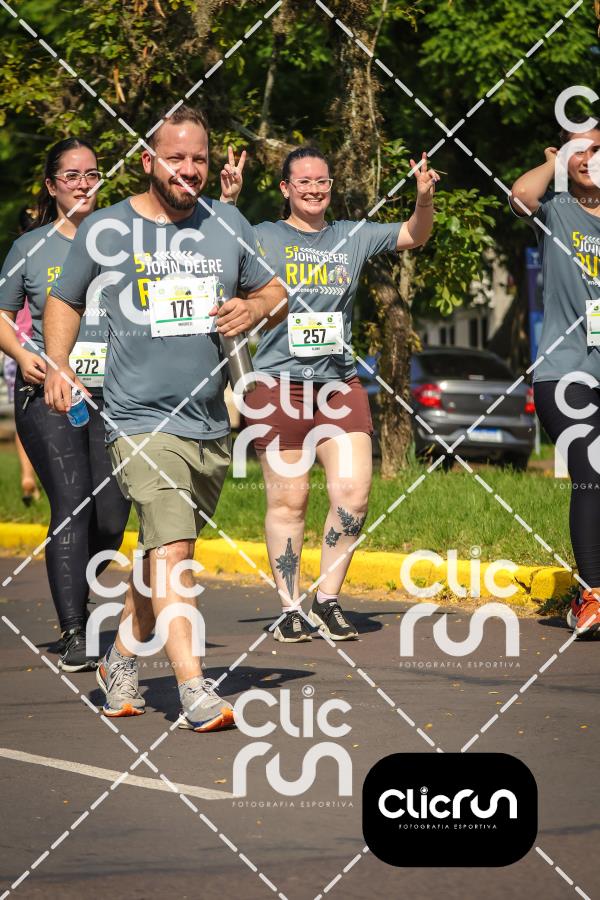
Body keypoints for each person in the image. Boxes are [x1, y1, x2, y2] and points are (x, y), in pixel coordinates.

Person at [44, 105, 287, 732]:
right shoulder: (108, 227)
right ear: (149, 160)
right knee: (175, 550)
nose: (189, 169)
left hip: (209, 424)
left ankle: (120, 661)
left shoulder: (226, 223)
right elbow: (64, 298)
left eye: (198, 158)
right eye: (175, 158)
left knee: (160, 553)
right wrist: (59, 365)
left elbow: (276, 293)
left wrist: (253, 308)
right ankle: (193, 689)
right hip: (137, 420)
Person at [220, 145, 438, 642]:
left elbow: (414, 234)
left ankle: (328, 600)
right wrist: (229, 200)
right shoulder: (263, 235)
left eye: (322, 181)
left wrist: (423, 197)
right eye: (304, 181)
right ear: (285, 188)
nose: (315, 189)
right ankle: (290, 607)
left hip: (339, 386)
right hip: (277, 387)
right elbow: (221, 249)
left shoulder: (350, 236)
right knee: (290, 500)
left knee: (353, 495)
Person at [0, 140, 131, 671]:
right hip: (48, 393)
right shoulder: (30, 247)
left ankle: (77, 585)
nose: (83, 183)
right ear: (52, 185)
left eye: (92, 174)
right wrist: (22, 355)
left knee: (112, 516)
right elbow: (2, 315)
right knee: (73, 503)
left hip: (114, 395)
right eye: (71, 175)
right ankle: (74, 629)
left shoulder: (122, 242)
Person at [510, 119, 600, 637]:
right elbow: (521, 196)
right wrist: (554, 162)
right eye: (578, 151)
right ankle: (592, 594)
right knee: (591, 472)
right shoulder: (557, 211)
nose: (589, 159)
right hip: (565, 373)